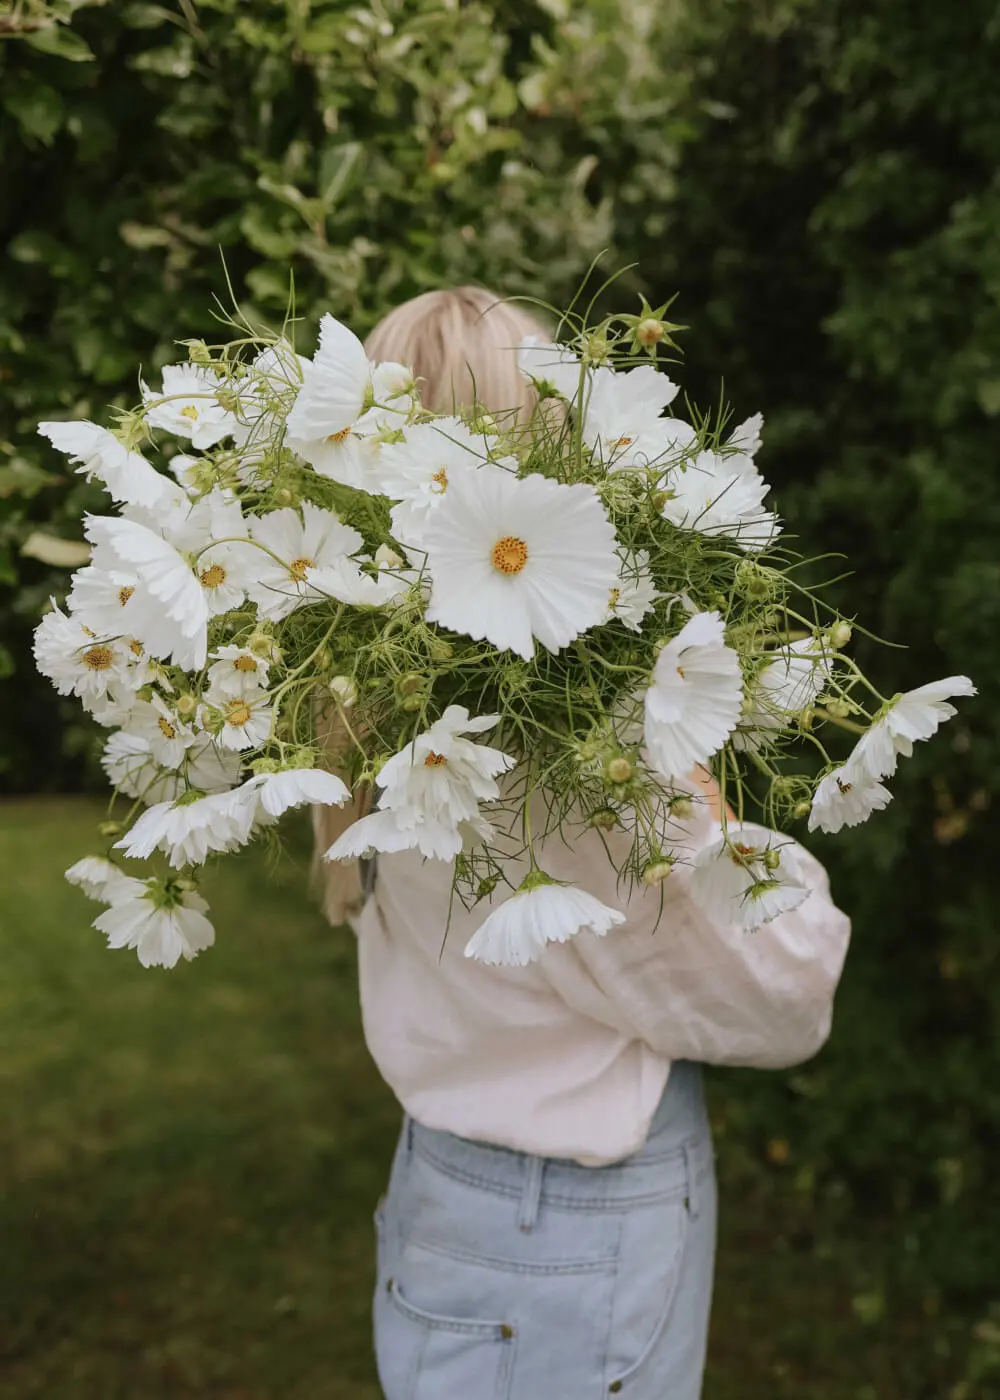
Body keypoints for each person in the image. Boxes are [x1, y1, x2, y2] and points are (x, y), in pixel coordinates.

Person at [313, 285, 851, 1399]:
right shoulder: (565, 765)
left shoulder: (381, 711)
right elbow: (782, 995)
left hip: (449, 1192)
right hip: (559, 1230)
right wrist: (709, 803)